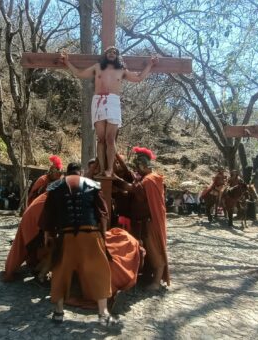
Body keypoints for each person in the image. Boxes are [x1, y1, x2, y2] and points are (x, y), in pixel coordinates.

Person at [39, 162, 119, 327]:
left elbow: (48, 213)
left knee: (60, 272)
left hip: (66, 236)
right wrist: (103, 235)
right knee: (99, 271)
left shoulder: (54, 187)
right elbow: (103, 213)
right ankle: (103, 313)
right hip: (90, 235)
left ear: (66, 173)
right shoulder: (92, 185)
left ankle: (59, 312)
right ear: (81, 172)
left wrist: (48, 234)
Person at [60, 47, 157, 177]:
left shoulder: (121, 70)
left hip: (112, 102)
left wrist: (150, 64)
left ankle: (109, 169)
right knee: (100, 139)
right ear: (105, 55)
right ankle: (101, 169)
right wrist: (67, 62)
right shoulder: (97, 67)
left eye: (115, 52)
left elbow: (139, 77)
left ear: (117, 56)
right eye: (109, 52)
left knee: (110, 139)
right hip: (98, 101)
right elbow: (79, 73)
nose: (112, 54)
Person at [113, 147, 170, 290]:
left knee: (154, 250)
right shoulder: (146, 178)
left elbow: (131, 188)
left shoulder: (149, 181)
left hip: (149, 222)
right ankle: (146, 275)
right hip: (140, 221)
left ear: (143, 165)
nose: (136, 169)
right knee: (145, 250)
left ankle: (156, 283)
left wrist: (114, 179)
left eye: (138, 165)